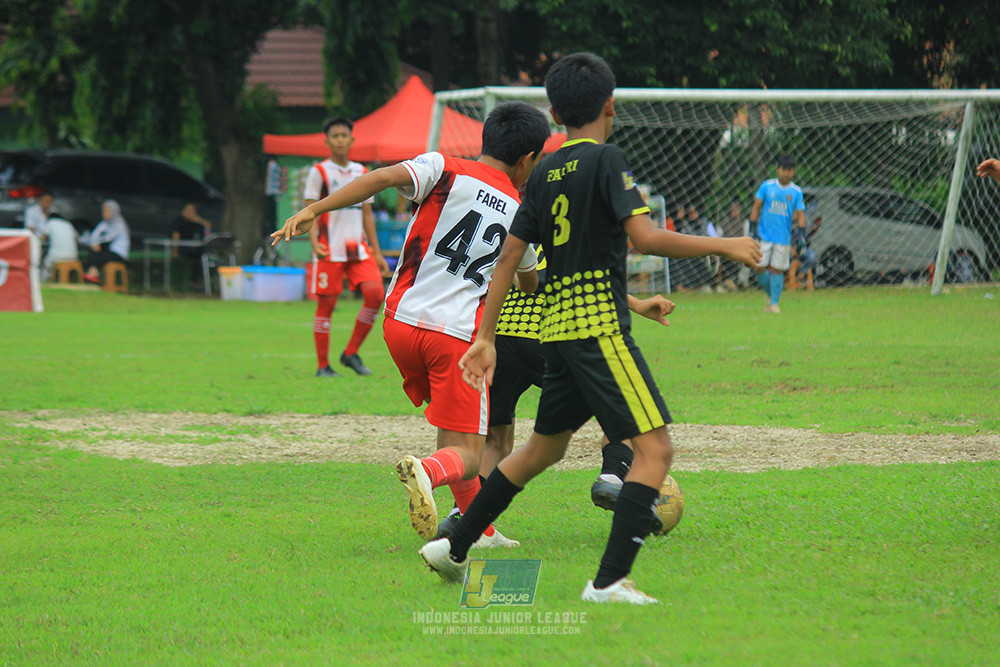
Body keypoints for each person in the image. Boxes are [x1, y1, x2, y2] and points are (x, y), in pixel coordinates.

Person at [418, 52, 761, 604]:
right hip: (599, 327)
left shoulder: (545, 172)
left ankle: (454, 544)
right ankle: (608, 583)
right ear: (611, 104)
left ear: (553, 113)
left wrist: (485, 336)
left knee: (540, 452)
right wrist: (727, 244)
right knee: (655, 452)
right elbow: (645, 239)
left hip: (555, 331)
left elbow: (507, 260)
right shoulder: (607, 160)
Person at [271, 101, 551, 546]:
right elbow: (530, 282)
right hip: (456, 336)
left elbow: (381, 178)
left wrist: (315, 210)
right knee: (468, 454)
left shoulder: (444, 167)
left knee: (450, 431)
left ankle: (482, 530)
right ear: (527, 160)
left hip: (399, 322)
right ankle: (429, 470)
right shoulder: (522, 211)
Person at [303, 116, 391, 378]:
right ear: (327, 141)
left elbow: (367, 214)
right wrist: (314, 242)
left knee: (376, 296)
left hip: (359, 250)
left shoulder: (362, 172)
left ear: (352, 140)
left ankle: (350, 353)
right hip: (329, 248)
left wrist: (377, 251)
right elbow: (309, 211)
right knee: (327, 306)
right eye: (335, 136)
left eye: (344, 135)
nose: (340, 140)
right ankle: (322, 367)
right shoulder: (318, 172)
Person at [749, 154, 806, 313]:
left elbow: (801, 214)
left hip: (783, 238)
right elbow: (756, 207)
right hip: (764, 235)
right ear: (778, 169)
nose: (786, 173)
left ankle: (774, 303)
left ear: (793, 171)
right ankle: (771, 294)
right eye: (783, 170)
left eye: (789, 170)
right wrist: (752, 229)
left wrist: (802, 234)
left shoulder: (796, 191)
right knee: (758, 268)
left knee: (777, 270)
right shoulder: (767, 186)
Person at [83, 200, 130, 284]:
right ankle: (94, 272)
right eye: (103, 211)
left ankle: (93, 272)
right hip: (108, 251)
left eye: (107, 211)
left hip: (118, 254)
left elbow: (108, 238)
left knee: (97, 251)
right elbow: (93, 236)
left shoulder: (119, 224)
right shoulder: (104, 223)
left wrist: (96, 244)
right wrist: (94, 244)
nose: (104, 213)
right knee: (94, 250)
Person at [170, 203, 214, 289]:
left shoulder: (196, 222)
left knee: (200, 256)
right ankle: (192, 282)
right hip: (183, 248)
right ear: (183, 211)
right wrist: (175, 250)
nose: (191, 213)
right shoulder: (179, 221)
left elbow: (208, 227)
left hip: (196, 248)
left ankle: (197, 282)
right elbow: (176, 236)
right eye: (188, 211)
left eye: (193, 211)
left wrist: (200, 221)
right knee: (197, 258)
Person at [38, 208, 79, 281]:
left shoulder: (50, 222)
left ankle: (44, 282)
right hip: (73, 255)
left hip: (57, 256)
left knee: (45, 265)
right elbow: (77, 239)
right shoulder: (68, 224)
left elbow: (42, 238)